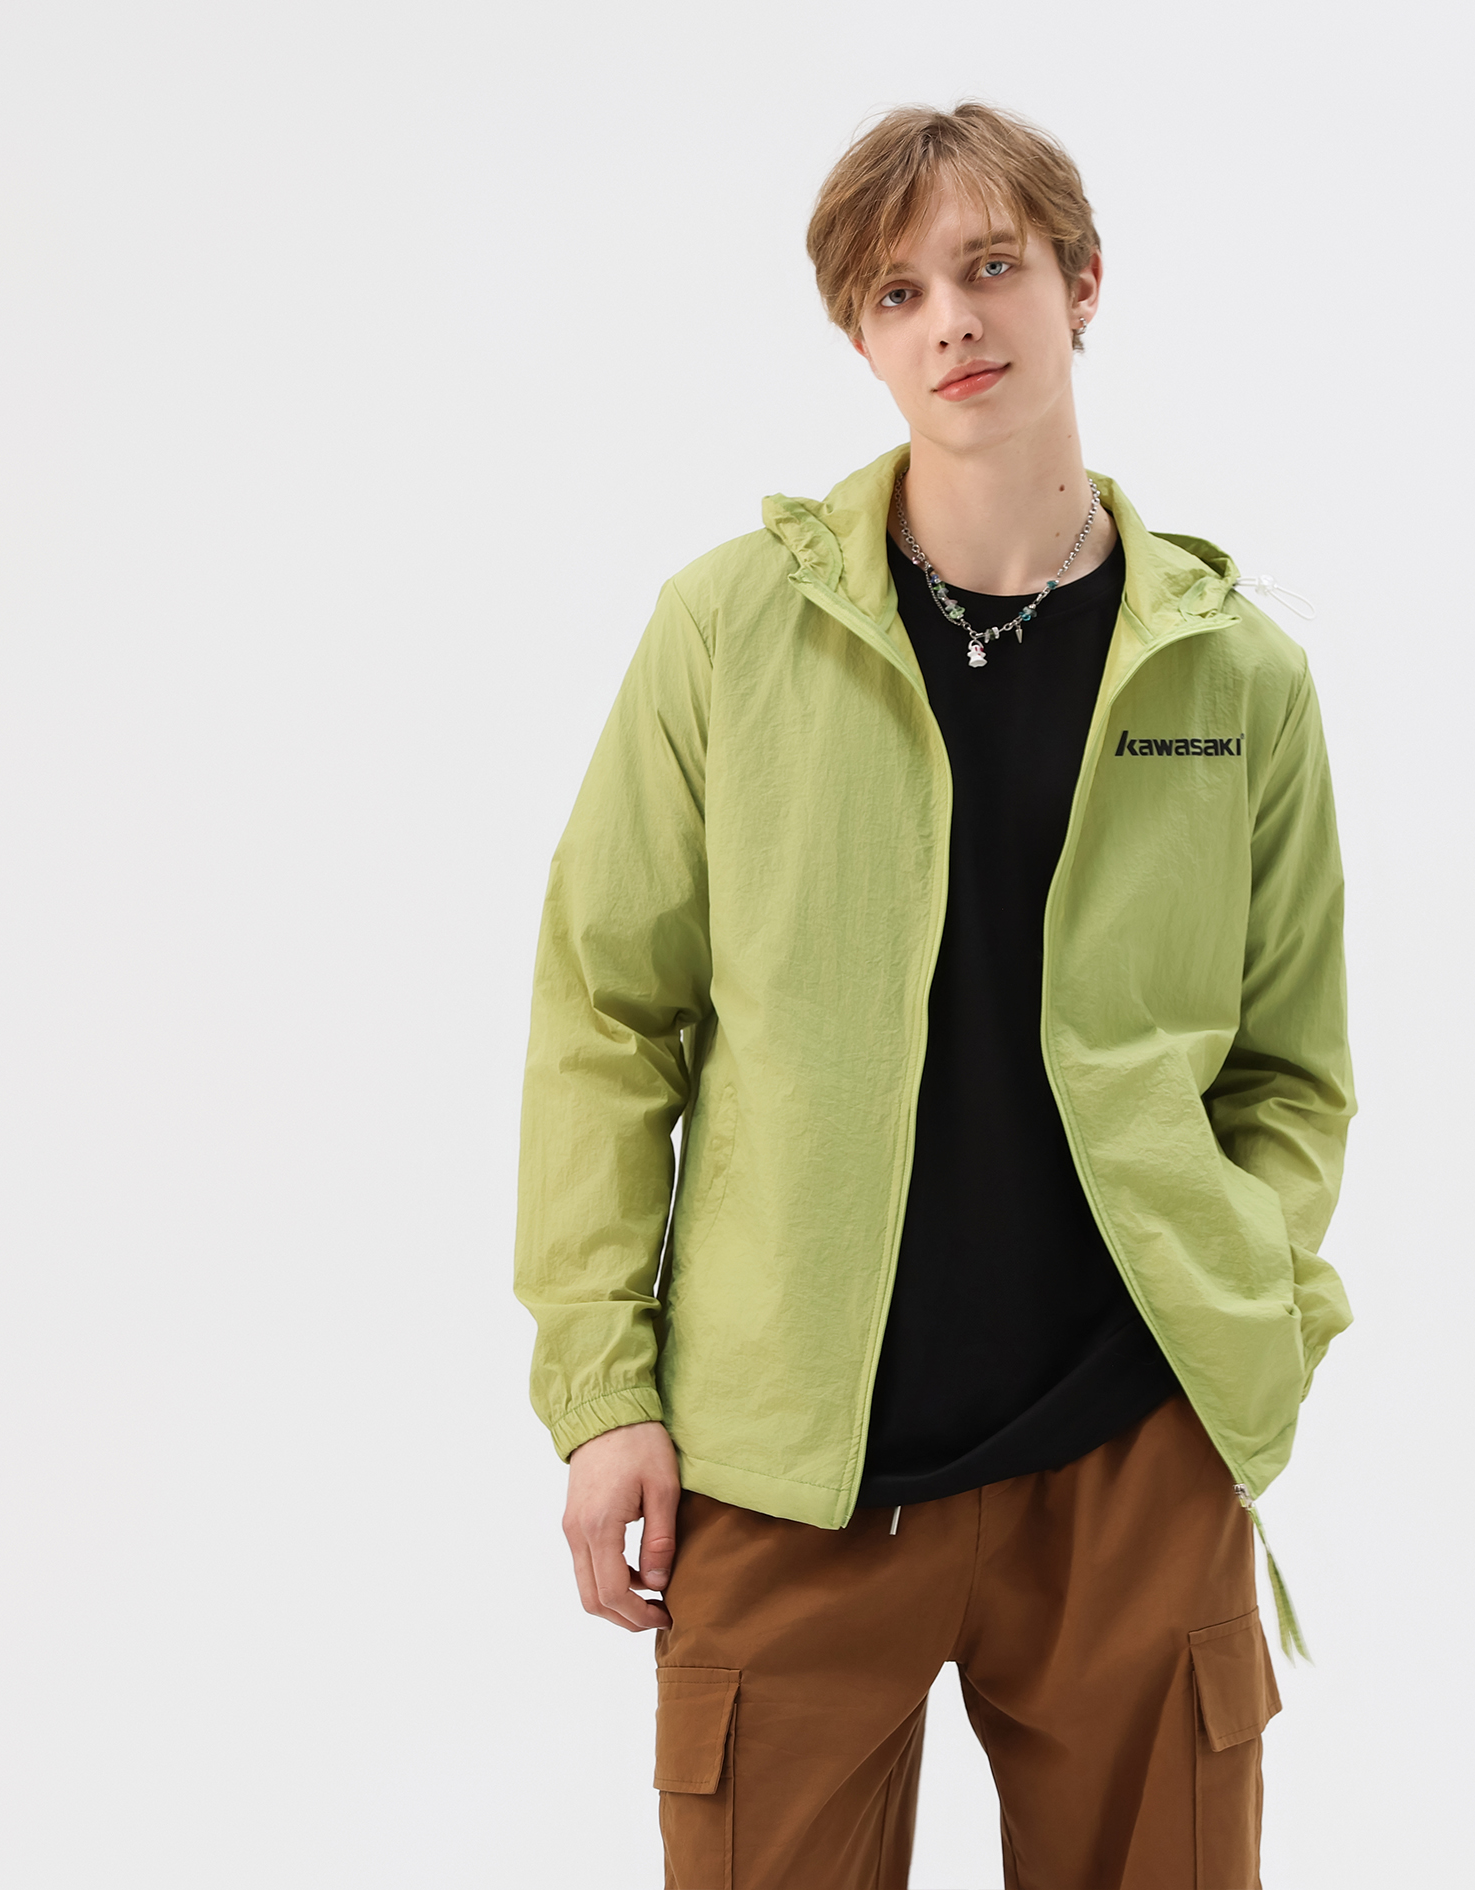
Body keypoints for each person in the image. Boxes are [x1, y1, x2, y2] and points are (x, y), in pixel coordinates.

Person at [514, 100, 1356, 1890]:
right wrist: (602, 1389)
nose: (953, 321)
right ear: (861, 336)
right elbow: (607, 1015)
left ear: (1080, 284)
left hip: (1129, 1454)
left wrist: (1242, 1317)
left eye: (990, 267)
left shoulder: (1234, 676)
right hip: (787, 1461)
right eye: (898, 292)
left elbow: (1288, 1069)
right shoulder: (730, 631)